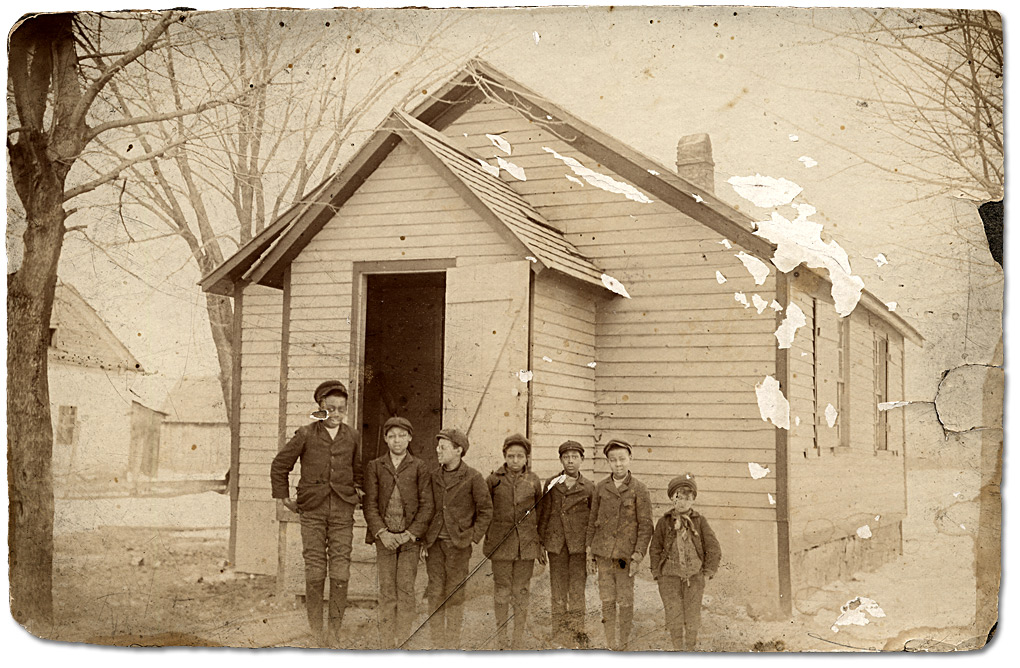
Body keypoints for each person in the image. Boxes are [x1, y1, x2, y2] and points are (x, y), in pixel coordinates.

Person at [270, 380, 362, 647]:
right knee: (315, 566)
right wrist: (284, 497)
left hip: (343, 509)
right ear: (320, 408)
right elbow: (280, 465)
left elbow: (358, 471)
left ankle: (334, 631)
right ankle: (316, 630)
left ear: (346, 410)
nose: (335, 414)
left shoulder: (353, 436)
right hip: (312, 509)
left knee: (341, 566)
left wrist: (357, 492)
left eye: (341, 409)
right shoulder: (306, 434)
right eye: (330, 409)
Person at [363, 416, 434, 649]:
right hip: (385, 539)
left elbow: (427, 505)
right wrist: (382, 533)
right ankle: (386, 641)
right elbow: (370, 504)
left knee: (405, 587)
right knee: (387, 589)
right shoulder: (375, 466)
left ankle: (403, 639)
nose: (397, 440)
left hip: (409, 540)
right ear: (385, 439)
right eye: (392, 436)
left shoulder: (419, 467)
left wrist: (410, 533)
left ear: (410, 438)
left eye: (402, 435)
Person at [423, 428, 493, 648]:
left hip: (459, 546)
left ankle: (451, 643)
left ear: (458, 450)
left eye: (443, 447)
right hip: (434, 544)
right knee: (435, 592)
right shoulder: (433, 476)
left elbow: (486, 510)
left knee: (454, 593)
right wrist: (424, 540)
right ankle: (437, 643)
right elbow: (426, 508)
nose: (437, 450)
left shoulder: (473, 477)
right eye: (438, 446)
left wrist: (472, 536)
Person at [585, 437, 653, 650]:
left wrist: (638, 556)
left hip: (625, 557)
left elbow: (645, 526)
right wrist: (590, 551)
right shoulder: (601, 488)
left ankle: (623, 642)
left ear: (630, 458)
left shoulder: (639, 489)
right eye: (613, 460)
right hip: (604, 555)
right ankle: (609, 642)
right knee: (606, 598)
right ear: (608, 462)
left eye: (622, 459)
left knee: (624, 598)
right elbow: (592, 521)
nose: (618, 464)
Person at [484, 434, 545, 649]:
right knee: (502, 590)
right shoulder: (493, 480)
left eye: (520, 456)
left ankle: (517, 639)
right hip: (501, 546)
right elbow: (485, 511)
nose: (515, 460)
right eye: (511, 456)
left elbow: (541, 512)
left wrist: (539, 544)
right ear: (504, 456)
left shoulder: (534, 480)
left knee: (521, 590)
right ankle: (502, 639)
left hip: (526, 546)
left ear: (526, 458)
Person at [649, 474, 721, 651]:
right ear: (672, 499)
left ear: (693, 499)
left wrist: (707, 571)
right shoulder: (664, 522)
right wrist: (657, 573)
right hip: (669, 578)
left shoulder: (700, 521)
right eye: (678, 497)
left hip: (694, 577)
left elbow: (713, 547)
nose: (682, 502)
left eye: (687, 497)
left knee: (692, 613)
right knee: (674, 613)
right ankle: (677, 648)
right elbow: (655, 548)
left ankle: (690, 648)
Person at [538, 440, 595, 648]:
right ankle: (559, 632)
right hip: (556, 546)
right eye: (566, 457)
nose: (570, 461)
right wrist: (541, 543)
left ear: (582, 460)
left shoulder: (589, 487)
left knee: (577, 591)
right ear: (561, 459)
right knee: (558, 590)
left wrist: (590, 549)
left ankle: (578, 631)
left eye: (574, 457)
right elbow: (544, 514)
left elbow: (592, 520)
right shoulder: (552, 484)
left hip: (578, 548)